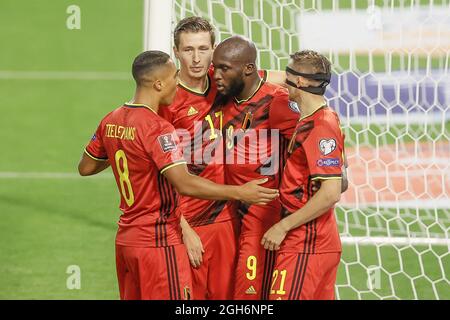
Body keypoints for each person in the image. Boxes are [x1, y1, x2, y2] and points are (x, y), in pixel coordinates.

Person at [77, 50, 279, 300]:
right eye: (174, 76)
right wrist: (240, 192)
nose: (178, 82)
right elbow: (183, 183)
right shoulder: (158, 128)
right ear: (159, 84)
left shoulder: (112, 120)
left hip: (126, 242)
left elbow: (85, 167)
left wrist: (132, 153)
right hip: (158, 241)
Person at [160, 16, 286, 300]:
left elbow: (277, 78)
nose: (196, 59)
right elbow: (158, 175)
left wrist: (310, 88)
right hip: (185, 222)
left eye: (203, 49)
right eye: (188, 49)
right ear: (176, 51)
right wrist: (184, 230)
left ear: (214, 51)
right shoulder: (167, 100)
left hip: (225, 219)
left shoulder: (225, 81)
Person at [212, 36, 300, 300]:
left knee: (248, 294)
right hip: (226, 211)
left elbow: (317, 130)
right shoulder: (227, 92)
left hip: (261, 212)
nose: (216, 76)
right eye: (215, 67)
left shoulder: (277, 102)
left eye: (223, 69)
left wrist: (339, 170)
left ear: (248, 69)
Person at [261, 50, 345, 300]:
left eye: (287, 73)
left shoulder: (320, 126)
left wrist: (282, 226)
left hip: (307, 243)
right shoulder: (320, 118)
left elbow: (331, 193)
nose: (283, 79)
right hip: (316, 243)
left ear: (298, 82)